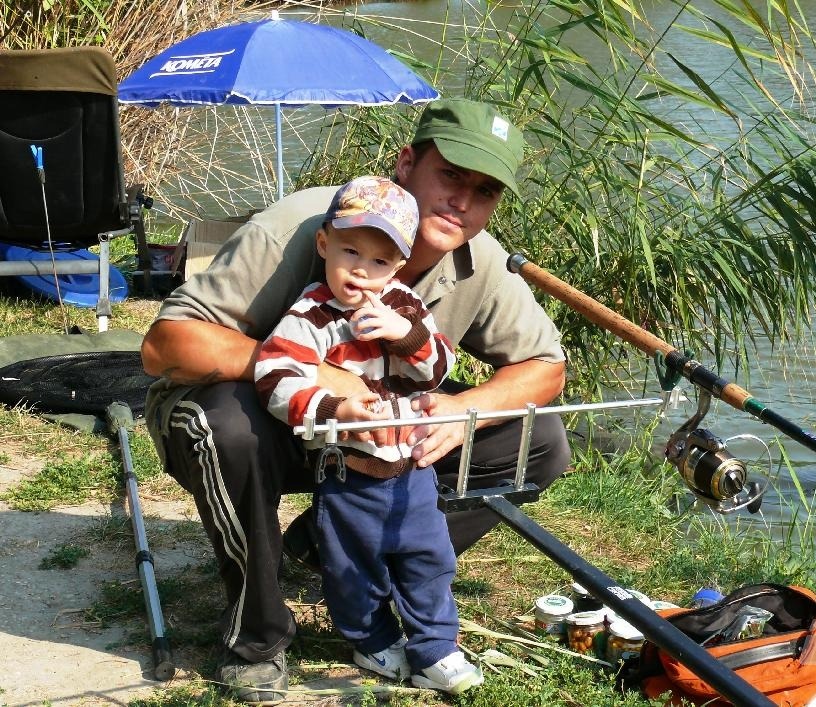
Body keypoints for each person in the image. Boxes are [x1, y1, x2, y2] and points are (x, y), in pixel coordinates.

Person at [141, 98, 569, 705]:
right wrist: (319, 375)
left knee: (539, 440)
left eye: (486, 190)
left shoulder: (482, 260)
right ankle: (257, 635)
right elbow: (164, 345)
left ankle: (332, 548)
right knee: (226, 426)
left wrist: (468, 405)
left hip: (369, 438)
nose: (463, 202)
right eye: (450, 175)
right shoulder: (304, 223)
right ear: (406, 162)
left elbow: (546, 367)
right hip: (268, 418)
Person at [254, 175, 481, 694]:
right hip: (346, 472)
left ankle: (436, 648)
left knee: (430, 559)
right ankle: (371, 639)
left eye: (379, 262)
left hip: (413, 468)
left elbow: (439, 370)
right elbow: (273, 379)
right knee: (353, 568)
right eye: (349, 250)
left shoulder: (402, 305)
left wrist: (409, 337)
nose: (361, 270)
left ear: (398, 266)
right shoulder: (309, 315)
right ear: (323, 243)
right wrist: (335, 406)